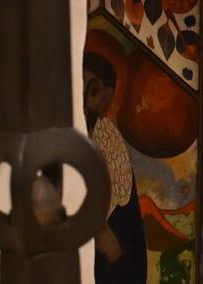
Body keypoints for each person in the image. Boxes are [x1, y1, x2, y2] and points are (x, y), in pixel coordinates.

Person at [83, 52, 147, 284]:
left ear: (107, 97)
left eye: (91, 90)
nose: (82, 99)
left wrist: (112, 248)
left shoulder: (115, 157)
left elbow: (133, 267)